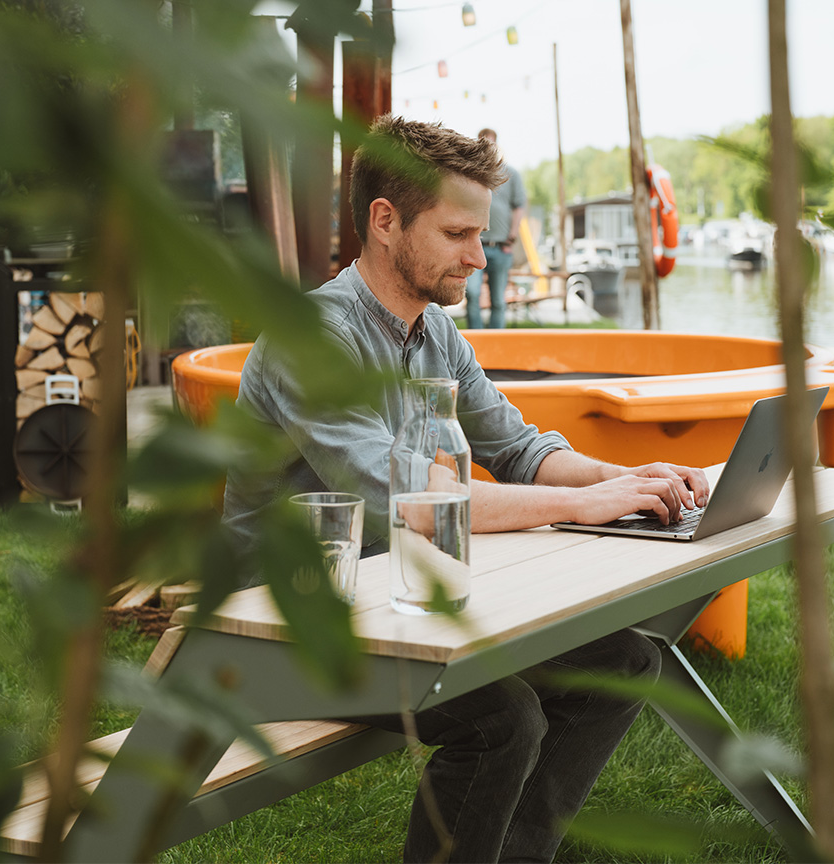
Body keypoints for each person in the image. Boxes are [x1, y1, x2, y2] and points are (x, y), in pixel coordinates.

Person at [223, 115, 709, 863]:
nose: (480, 258)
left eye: (480, 236)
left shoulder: (431, 330)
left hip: (400, 603)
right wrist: (584, 505)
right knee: (501, 719)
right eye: (458, 235)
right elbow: (415, 501)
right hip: (282, 628)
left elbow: (517, 449)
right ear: (385, 222)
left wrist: (631, 479)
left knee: (622, 663)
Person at [464, 128, 526, 329]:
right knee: (472, 294)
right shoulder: (471, 174)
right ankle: (475, 343)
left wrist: (511, 238)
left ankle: (497, 342)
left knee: (498, 300)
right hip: (476, 245)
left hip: (501, 247)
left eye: (490, 143)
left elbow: (519, 207)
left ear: (496, 145)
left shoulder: (511, 174)